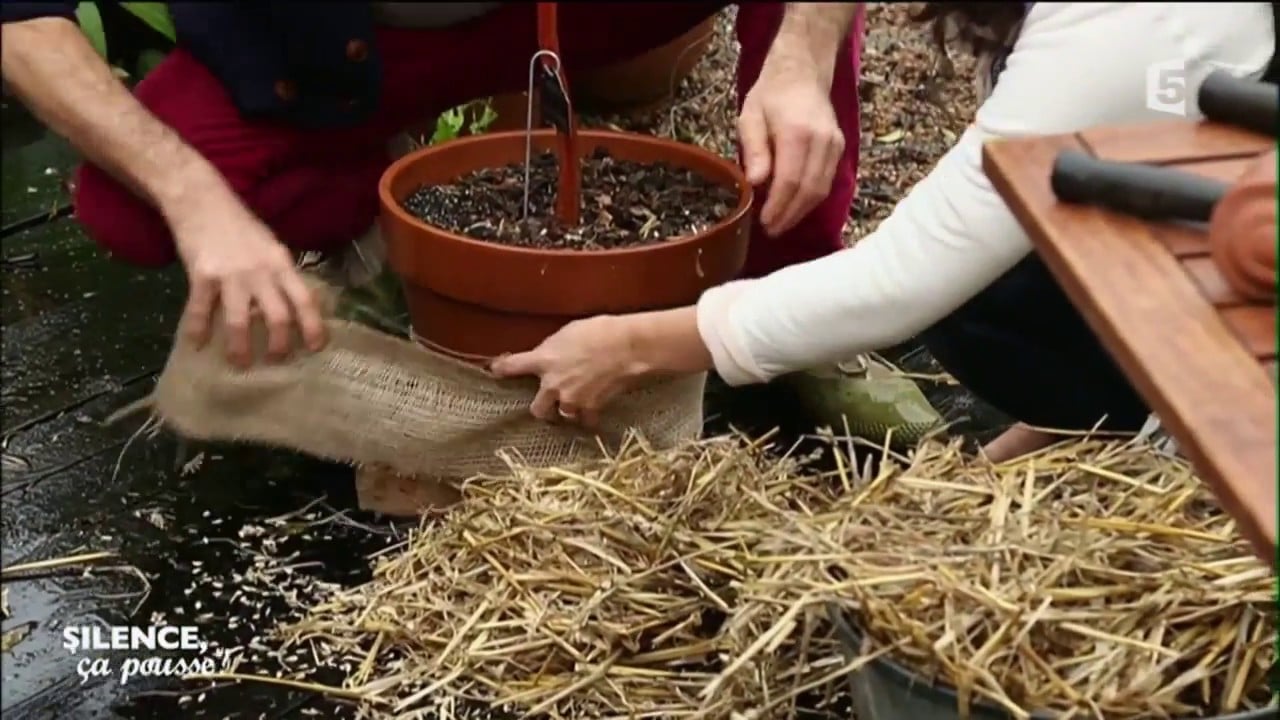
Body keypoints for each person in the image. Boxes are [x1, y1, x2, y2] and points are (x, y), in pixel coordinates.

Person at [2, 2, 937, 442]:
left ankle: (799, 309)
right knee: (129, 202)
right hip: (371, 36)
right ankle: (368, 224)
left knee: (799, 66)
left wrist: (801, 61)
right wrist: (194, 193)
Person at [489, 2, 1278, 461]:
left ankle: (1195, 447)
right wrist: (797, 59)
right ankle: (1124, 421)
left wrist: (626, 347)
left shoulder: (1139, 24)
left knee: (988, 292)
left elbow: (902, 280)